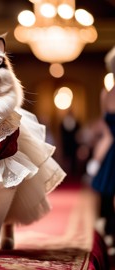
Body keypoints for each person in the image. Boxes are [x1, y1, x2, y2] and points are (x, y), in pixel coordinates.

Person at [90, 46, 115, 246]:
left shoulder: (106, 94)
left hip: (110, 150)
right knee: (106, 194)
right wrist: (96, 161)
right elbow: (107, 133)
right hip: (111, 151)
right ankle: (110, 235)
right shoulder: (105, 94)